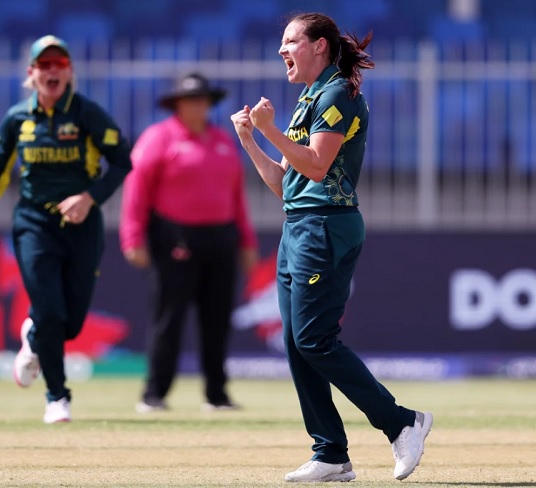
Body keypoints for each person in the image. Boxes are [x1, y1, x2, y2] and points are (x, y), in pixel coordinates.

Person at [230, 13, 432, 482]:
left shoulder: (338, 92)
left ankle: (403, 422)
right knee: (297, 344)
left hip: (326, 227)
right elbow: (286, 184)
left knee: (315, 340)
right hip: (298, 226)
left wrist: (269, 130)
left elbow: (318, 167)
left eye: (290, 41)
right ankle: (331, 454)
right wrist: (250, 141)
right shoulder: (307, 99)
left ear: (319, 46)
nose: (282, 50)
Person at [0, 35, 132, 424]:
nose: (52, 71)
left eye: (59, 64)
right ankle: (57, 397)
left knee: (70, 324)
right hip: (34, 223)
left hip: (82, 226)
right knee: (51, 311)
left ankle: (33, 337)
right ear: (31, 74)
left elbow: (122, 161)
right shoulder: (18, 118)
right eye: (44, 65)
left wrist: (89, 198)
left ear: (69, 72)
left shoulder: (87, 113)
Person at [120, 72, 258, 413]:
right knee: (169, 318)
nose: (199, 105)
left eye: (203, 99)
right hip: (174, 238)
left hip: (221, 238)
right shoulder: (158, 138)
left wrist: (246, 239)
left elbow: (236, 195)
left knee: (217, 319)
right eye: (191, 99)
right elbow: (136, 191)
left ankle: (217, 394)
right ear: (177, 104)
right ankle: (155, 393)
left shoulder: (223, 140)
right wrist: (133, 237)